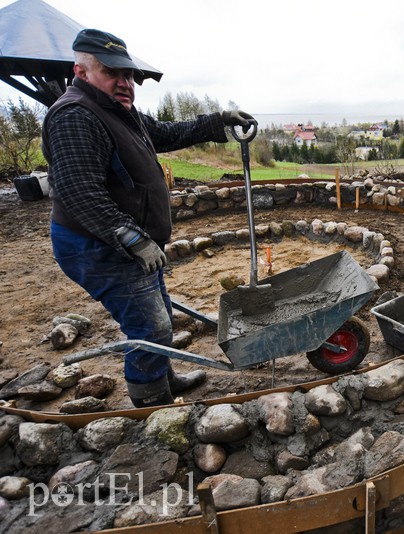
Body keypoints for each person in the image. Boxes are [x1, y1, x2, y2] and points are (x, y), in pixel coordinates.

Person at [42, 29, 256, 407]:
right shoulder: (75, 116)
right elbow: (78, 191)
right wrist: (131, 237)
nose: (124, 82)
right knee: (150, 325)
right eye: (112, 73)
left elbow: (166, 132)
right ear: (81, 71)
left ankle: (165, 376)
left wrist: (218, 120)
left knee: (156, 309)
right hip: (95, 246)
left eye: (128, 75)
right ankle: (152, 402)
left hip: (127, 239)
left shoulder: (117, 111)